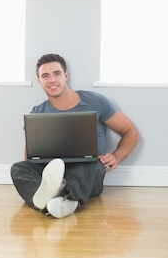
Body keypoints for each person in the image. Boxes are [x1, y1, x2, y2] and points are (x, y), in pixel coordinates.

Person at [10, 53, 140, 218]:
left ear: (65, 75)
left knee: (92, 164)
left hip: (87, 171)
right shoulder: (37, 112)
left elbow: (131, 133)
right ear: (39, 80)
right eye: (45, 76)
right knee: (18, 168)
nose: (52, 80)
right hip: (52, 172)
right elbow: (30, 156)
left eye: (57, 73)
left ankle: (56, 199)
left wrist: (116, 157)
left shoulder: (95, 101)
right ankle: (58, 204)